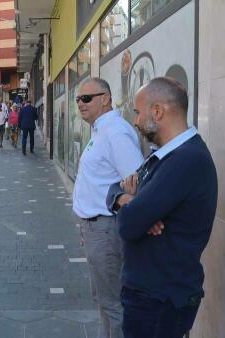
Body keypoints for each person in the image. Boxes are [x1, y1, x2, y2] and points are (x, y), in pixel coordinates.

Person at [107, 77, 218, 338]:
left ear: (157, 111)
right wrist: (129, 200)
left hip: (160, 300)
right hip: (151, 295)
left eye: (137, 112)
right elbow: (114, 189)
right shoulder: (165, 156)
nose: (135, 121)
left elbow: (128, 225)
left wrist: (136, 211)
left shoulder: (187, 160)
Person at [72, 78, 144, 338]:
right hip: (95, 228)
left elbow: (135, 183)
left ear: (106, 98)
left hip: (106, 228)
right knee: (104, 300)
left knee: (113, 305)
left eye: (86, 98)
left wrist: (101, 227)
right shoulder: (101, 130)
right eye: (78, 99)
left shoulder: (115, 131)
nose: (80, 104)